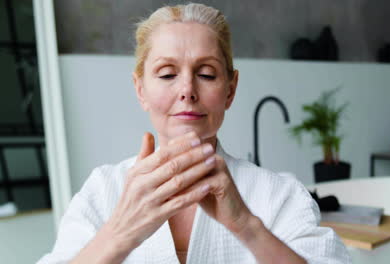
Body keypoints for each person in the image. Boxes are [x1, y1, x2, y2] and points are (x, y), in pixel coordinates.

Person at [38, 3, 350, 264]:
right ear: (140, 89)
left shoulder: (280, 196)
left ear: (230, 89)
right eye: (167, 73)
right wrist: (121, 233)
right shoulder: (103, 192)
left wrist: (247, 226)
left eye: (206, 73)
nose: (187, 89)